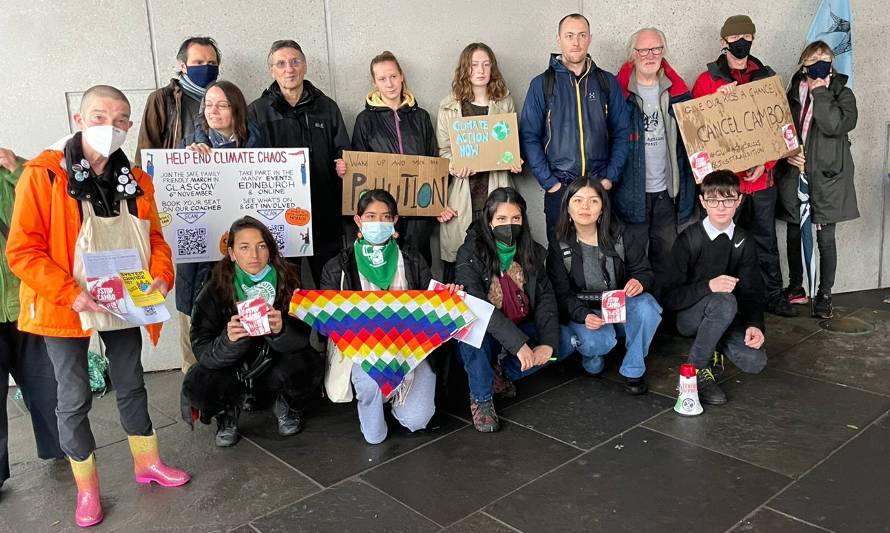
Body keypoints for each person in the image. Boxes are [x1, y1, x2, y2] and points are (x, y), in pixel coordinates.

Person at [6, 86, 189, 527]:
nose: (111, 125)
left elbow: (157, 241)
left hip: (124, 299)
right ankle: (87, 489)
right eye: (100, 115)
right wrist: (70, 292)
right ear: (78, 118)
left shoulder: (137, 180)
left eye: (121, 118)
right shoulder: (44, 173)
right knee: (72, 396)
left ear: (129, 126)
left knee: (131, 381)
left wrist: (162, 276)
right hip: (63, 301)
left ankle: (147, 463)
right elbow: (22, 251)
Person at [320, 190, 453, 444]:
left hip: (410, 347)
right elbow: (327, 325)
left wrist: (448, 294)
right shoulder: (338, 266)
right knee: (374, 436)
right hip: (362, 349)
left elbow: (429, 304)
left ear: (395, 221)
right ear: (358, 221)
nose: (378, 223)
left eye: (385, 217)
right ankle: (376, 398)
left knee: (417, 421)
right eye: (370, 216)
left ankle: (394, 394)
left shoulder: (412, 259)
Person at [183, 217, 323, 447]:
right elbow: (201, 346)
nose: (254, 255)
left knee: (308, 365)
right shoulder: (215, 287)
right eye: (244, 248)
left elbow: (306, 334)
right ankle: (227, 413)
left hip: (274, 363)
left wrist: (282, 330)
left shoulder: (289, 279)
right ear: (232, 253)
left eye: (261, 246)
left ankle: (284, 402)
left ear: (270, 249)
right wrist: (228, 340)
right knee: (198, 383)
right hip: (234, 369)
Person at [691, 15, 796, 318]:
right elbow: (695, 130)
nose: (742, 42)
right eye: (735, 38)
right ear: (723, 42)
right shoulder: (707, 80)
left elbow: (781, 128)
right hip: (725, 186)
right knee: (723, 244)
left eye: (747, 36)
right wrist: (714, 100)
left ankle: (773, 297)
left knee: (765, 243)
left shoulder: (766, 77)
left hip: (762, 183)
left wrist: (767, 163)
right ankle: (726, 302)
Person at [455, 187, 564, 432]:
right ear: (489, 221)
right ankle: (482, 399)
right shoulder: (470, 253)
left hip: (520, 325)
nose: (509, 225)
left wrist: (547, 342)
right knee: (472, 336)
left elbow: (546, 298)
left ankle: (501, 375)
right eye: (501, 219)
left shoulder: (531, 251)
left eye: (515, 218)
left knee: (565, 343)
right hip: (488, 334)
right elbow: (477, 307)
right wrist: (519, 345)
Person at [175, 80, 264, 374]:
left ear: (236, 109)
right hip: (199, 262)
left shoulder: (259, 145)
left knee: (243, 329)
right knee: (197, 331)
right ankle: (197, 395)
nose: (213, 111)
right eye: (208, 104)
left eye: (222, 104)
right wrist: (187, 161)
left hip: (244, 260)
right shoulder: (188, 147)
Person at [249, 40, 350, 287]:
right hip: (279, 223)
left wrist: (344, 163)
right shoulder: (257, 112)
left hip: (325, 217)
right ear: (272, 71)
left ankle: (328, 329)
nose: (289, 69)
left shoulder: (327, 107)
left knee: (332, 290)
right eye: (281, 64)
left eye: (295, 62)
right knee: (287, 295)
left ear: (304, 66)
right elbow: (249, 166)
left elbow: (344, 152)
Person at [520, 13, 630, 240]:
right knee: (561, 257)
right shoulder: (542, 84)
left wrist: (609, 177)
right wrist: (550, 183)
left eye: (582, 35)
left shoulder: (606, 82)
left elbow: (622, 133)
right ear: (558, 39)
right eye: (569, 35)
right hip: (560, 189)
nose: (576, 42)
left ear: (590, 38)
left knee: (603, 253)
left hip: (599, 187)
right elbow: (529, 136)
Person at [547, 177, 662, 395]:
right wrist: (582, 315)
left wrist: (639, 282)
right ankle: (594, 353)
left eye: (593, 201)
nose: (585, 207)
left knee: (648, 306)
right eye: (578, 201)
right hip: (587, 312)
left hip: (618, 308)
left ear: (602, 208)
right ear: (568, 208)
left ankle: (634, 366)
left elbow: (644, 271)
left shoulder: (621, 235)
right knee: (597, 345)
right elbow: (561, 293)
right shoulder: (559, 244)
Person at [663, 170, 767, 405]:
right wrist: (708, 286)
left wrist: (755, 325)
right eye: (713, 200)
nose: (721, 207)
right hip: (689, 317)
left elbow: (752, 292)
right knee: (724, 300)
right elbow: (670, 297)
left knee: (755, 361)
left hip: (727, 316)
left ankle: (712, 342)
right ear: (702, 202)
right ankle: (694, 374)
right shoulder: (689, 239)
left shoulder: (744, 240)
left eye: (728, 199)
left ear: (738, 201)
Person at [777, 41, 858, 319]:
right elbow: (780, 128)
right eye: (815, 57)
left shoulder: (843, 94)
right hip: (795, 175)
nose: (821, 61)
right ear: (804, 63)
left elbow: (833, 124)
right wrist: (787, 154)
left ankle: (824, 294)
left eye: (826, 57)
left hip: (828, 179)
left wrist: (820, 91)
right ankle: (796, 287)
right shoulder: (791, 93)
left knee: (825, 237)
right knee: (794, 233)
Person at [613, 28, 696, 298]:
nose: (650, 55)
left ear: (663, 52)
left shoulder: (678, 92)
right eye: (643, 50)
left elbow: (700, 132)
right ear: (632, 55)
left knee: (667, 259)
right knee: (632, 263)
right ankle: (637, 319)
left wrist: (725, 100)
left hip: (666, 195)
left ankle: (664, 319)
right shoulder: (618, 95)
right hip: (630, 194)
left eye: (656, 49)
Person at [0, 147, 64, 493]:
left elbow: (53, 204)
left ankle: (65, 447)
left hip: (28, 301)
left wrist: (16, 168)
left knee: (46, 383)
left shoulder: (23, 173)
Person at [437, 43, 523, 281]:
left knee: (497, 260)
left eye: (486, 64)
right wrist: (455, 165)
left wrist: (513, 161)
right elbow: (443, 152)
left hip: (495, 190)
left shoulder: (504, 102)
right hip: (463, 195)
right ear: (465, 68)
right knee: (461, 262)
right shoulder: (449, 106)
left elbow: (509, 144)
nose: (481, 70)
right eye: (474, 65)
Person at [351, 51, 440, 265]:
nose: (389, 84)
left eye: (393, 76)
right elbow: (359, 168)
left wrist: (437, 203)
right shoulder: (365, 121)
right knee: (385, 266)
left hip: (419, 211)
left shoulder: (421, 117)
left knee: (418, 266)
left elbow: (433, 161)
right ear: (374, 83)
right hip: (383, 215)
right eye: (382, 79)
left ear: (402, 76)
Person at [136, 36, 221, 166]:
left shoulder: (226, 99)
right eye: (198, 62)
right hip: (176, 178)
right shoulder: (163, 98)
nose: (206, 68)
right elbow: (147, 148)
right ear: (183, 66)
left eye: (212, 63)